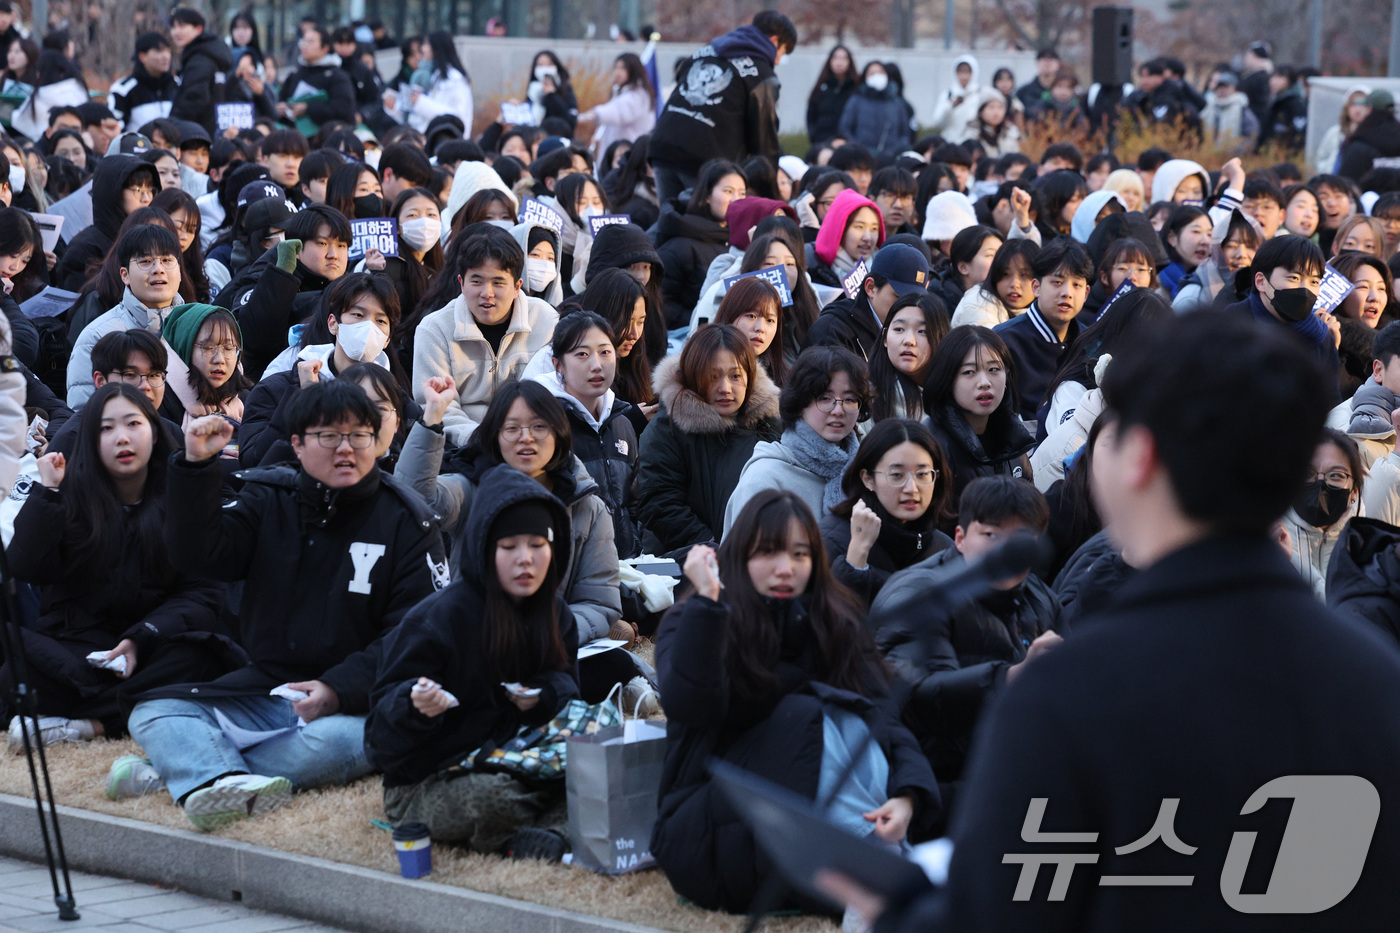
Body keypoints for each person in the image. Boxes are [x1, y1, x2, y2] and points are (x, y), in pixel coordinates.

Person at [824, 310, 1400, 933]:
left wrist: (899, 915)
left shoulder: (1068, 693)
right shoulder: (1377, 681)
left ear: (1140, 457)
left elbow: (1008, 913)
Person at [125, 380, 448, 831]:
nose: (346, 449)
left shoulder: (408, 522)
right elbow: (199, 555)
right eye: (329, 436)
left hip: (357, 703)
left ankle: (188, 771)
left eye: (359, 435)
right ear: (297, 444)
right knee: (153, 710)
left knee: (345, 742)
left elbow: (413, 637)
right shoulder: (269, 497)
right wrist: (196, 466)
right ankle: (220, 779)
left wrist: (337, 688)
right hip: (269, 689)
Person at [652, 489, 940, 913]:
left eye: (800, 554)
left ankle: (876, 861)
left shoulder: (834, 620)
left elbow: (883, 717)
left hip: (808, 832)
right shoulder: (696, 618)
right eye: (768, 552)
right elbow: (690, 706)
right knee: (811, 715)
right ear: (738, 556)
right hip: (710, 827)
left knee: (850, 716)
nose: (785, 568)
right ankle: (874, 869)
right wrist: (709, 602)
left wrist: (907, 795)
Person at [365, 464, 578, 856]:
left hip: (521, 758)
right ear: (485, 549)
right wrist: (415, 707)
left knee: (595, 765)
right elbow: (378, 742)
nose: (525, 559)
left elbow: (567, 685)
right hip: (432, 778)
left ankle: (545, 835)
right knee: (493, 797)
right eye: (509, 547)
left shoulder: (557, 615)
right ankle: (552, 827)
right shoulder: (437, 619)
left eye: (537, 545)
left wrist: (544, 695)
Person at [2, 384, 224, 751]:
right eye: (106, 428)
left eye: (133, 424)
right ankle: (130, 710)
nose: (122, 438)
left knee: (204, 660)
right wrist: (48, 493)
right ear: (91, 441)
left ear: (154, 433)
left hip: (151, 647)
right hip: (77, 651)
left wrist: (140, 638)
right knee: (16, 672)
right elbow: (25, 567)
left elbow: (202, 593)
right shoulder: (68, 496)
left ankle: (90, 725)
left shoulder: (180, 500)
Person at [401, 376, 640, 699]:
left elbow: (598, 601)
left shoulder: (587, 506)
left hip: (548, 644)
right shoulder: (470, 488)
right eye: (512, 428)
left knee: (612, 664)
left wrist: (546, 635)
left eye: (539, 427)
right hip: (477, 640)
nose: (526, 438)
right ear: (495, 435)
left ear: (558, 432)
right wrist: (432, 417)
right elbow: (414, 499)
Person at [873, 475, 1059, 795]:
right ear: (959, 538)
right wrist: (1011, 677)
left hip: (1016, 778)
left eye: (1021, 540)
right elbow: (916, 701)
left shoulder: (1040, 597)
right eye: (991, 535)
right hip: (926, 788)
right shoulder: (920, 592)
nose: (1005, 551)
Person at [636, 323, 780, 553]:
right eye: (713, 377)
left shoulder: (769, 424)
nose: (725, 388)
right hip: (688, 560)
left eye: (735, 376)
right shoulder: (667, 428)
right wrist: (711, 546)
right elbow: (660, 503)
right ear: (694, 377)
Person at [412, 227, 559, 447]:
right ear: (461, 283)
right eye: (477, 281)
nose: (487, 293)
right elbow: (438, 406)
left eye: (498, 283)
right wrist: (482, 441)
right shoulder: (434, 329)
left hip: (533, 442)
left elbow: (558, 394)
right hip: (463, 448)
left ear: (517, 286)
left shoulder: (546, 321)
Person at [238, 272, 399, 467]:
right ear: (333, 323)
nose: (368, 327)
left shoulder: (393, 398)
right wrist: (304, 399)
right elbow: (253, 462)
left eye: (380, 321)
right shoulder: (279, 388)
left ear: (387, 339)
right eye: (358, 315)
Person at [647, 11, 794, 204]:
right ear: (774, 41)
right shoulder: (761, 75)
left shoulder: (706, 51)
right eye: (782, 53)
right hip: (705, 162)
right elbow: (764, 139)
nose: (777, 61)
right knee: (704, 221)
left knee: (669, 217)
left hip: (663, 147)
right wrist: (769, 195)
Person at [534, 309, 644, 558]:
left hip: (626, 563)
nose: (597, 365)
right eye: (582, 354)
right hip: (571, 564)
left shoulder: (621, 422)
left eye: (605, 352)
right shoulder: (544, 425)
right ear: (558, 365)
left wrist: (635, 548)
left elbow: (634, 502)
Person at [725, 345, 869, 533]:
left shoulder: (867, 473)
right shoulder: (765, 479)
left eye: (850, 399)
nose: (838, 410)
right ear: (800, 404)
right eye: (824, 398)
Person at [820, 418, 953, 607]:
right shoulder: (832, 541)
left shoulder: (943, 548)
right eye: (897, 475)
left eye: (922, 474)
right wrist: (857, 556)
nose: (911, 488)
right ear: (868, 479)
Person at [220, 203, 352, 381]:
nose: (333, 254)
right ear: (296, 247)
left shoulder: (351, 289)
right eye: (322, 243)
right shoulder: (262, 277)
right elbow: (253, 339)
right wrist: (281, 277)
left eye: (341, 245)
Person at [67, 224, 183, 409]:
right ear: (125, 275)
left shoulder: (199, 327)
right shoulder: (97, 336)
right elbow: (83, 413)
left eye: (167, 260)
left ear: (180, 272)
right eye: (145, 261)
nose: (158, 269)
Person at [923, 325, 1033, 514]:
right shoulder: (931, 445)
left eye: (994, 369)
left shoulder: (1013, 437)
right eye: (969, 372)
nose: (984, 382)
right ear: (947, 380)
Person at [1226, 234, 1340, 406]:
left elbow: (1331, 404)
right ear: (1261, 281)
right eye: (1294, 278)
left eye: (1314, 282)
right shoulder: (1229, 325)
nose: (1305, 290)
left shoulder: (1322, 338)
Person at [993, 238, 1091, 421]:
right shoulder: (1003, 340)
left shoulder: (1089, 341)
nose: (1067, 293)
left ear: (1086, 293)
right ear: (1036, 287)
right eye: (1057, 282)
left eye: (1076, 285)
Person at [54, 154, 159, 292]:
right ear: (114, 192)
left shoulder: (150, 237)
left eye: (150, 190)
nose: (146, 198)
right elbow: (82, 302)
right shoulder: (85, 248)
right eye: (137, 190)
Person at [1278, 428, 1361, 599]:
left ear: (1355, 491)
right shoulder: (1271, 539)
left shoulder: (1364, 546)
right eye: (1308, 473)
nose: (1321, 484)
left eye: (1336, 475)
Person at [808, 241, 923, 361]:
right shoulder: (833, 331)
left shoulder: (915, 334)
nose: (907, 308)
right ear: (871, 287)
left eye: (915, 301)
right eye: (899, 298)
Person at [869, 294, 949, 423]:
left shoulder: (957, 391)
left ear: (940, 339)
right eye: (899, 329)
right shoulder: (866, 395)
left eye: (922, 331)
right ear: (885, 338)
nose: (909, 341)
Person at [383, 31, 472, 135]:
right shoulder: (433, 76)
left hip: (449, 140)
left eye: (426, 44)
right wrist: (394, 106)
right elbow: (418, 118)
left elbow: (457, 118)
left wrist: (420, 102)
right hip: (431, 138)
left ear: (436, 48)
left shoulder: (455, 79)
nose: (422, 49)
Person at [277, 25, 356, 133]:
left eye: (310, 42)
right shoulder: (295, 75)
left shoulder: (337, 76)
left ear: (325, 48)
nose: (305, 46)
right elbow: (282, 99)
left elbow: (344, 109)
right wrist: (284, 108)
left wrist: (308, 108)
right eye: (303, 41)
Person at [166, 9, 233, 138]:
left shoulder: (200, 59)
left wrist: (171, 124)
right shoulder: (210, 53)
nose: (176, 31)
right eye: (173, 27)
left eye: (182, 26)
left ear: (198, 29)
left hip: (198, 133)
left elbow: (195, 97)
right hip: (212, 130)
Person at [838, 62, 913, 162]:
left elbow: (905, 134)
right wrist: (858, 148)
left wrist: (893, 151)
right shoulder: (856, 100)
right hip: (861, 158)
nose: (877, 76)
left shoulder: (897, 103)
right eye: (872, 73)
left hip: (891, 158)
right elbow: (845, 129)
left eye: (880, 72)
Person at [109, 32, 176, 131]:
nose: (166, 56)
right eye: (159, 51)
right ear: (142, 56)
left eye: (168, 51)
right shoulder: (123, 90)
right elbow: (114, 128)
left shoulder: (178, 85)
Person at [806, 45, 857, 145]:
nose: (839, 62)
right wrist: (814, 137)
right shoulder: (821, 88)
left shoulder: (855, 89)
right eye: (835, 57)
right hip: (822, 142)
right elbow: (811, 116)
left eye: (844, 58)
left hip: (849, 144)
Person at [1316, 86, 1371, 176]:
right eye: (1353, 104)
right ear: (1346, 107)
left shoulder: (1373, 134)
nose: (1358, 109)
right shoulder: (1335, 133)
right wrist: (1327, 171)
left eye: (1362, 104)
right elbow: (1321, 158)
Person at [523, 50, 579, 134]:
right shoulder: (533, 90)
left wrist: (552, 96)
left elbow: (570, 122)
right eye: (540, 65)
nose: (545, 68)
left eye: (549, 65)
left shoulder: (565, 88)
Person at [930, 55, 981, 143]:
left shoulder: (979, 94)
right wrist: (950, 106)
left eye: (968, 71)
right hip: (951, 142)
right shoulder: (947, 95)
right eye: (961, 71)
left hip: (972, 143)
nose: (964, 76)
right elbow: (937, 123)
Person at [1259, 65, 1307, 155]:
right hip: (1268, 154)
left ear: (1290, 80)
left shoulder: (1295, 104)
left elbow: (1298, 135)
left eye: (1279, 77)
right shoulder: (1276, 101)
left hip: (1284, 155)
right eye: (1272, 77)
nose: (1273, 81)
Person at [1015, 48, 1060, 115]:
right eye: (1044, 59)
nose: (1047, 63)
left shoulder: (1068, 91)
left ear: (1058, 64)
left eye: (1051, 59)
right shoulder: (1024, 92)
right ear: (1037, 63)